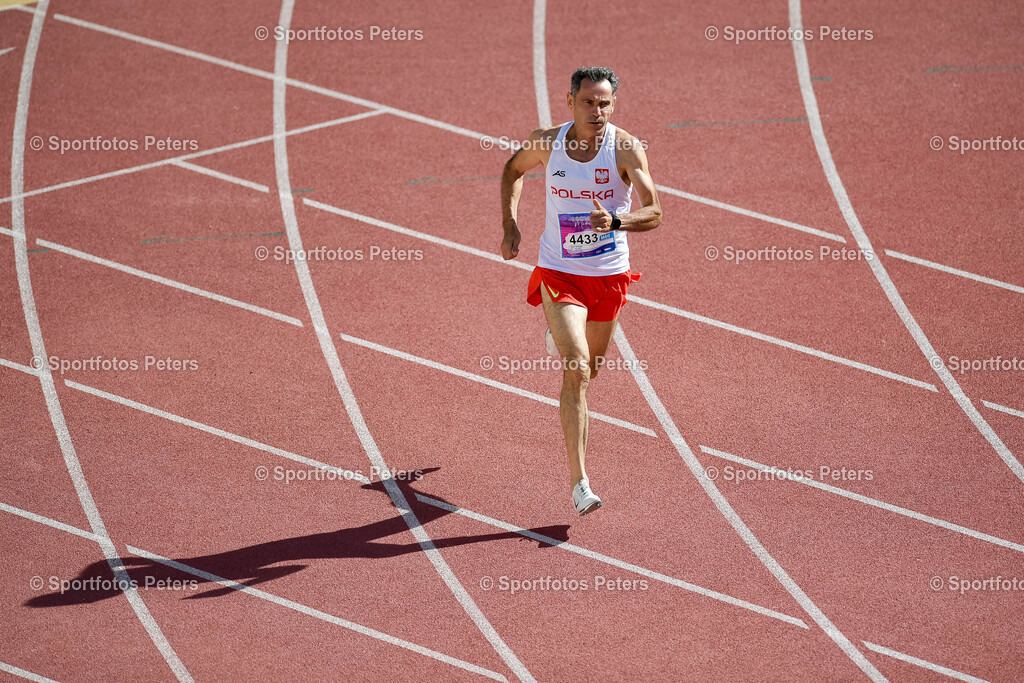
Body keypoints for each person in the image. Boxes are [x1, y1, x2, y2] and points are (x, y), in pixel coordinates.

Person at [499, 66, 662, 515]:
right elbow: (513, 169)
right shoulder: (547, 141)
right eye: (588, 101)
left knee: (593, 369)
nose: (597, 110)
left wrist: (616, 221)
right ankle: (580, 483)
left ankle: (560, 335)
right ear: (569, 101)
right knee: (576, 371)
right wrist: (510, 224)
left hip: (609, 275)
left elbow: (655, 212)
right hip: (559, 269)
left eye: (605, 102)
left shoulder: (625, 149)